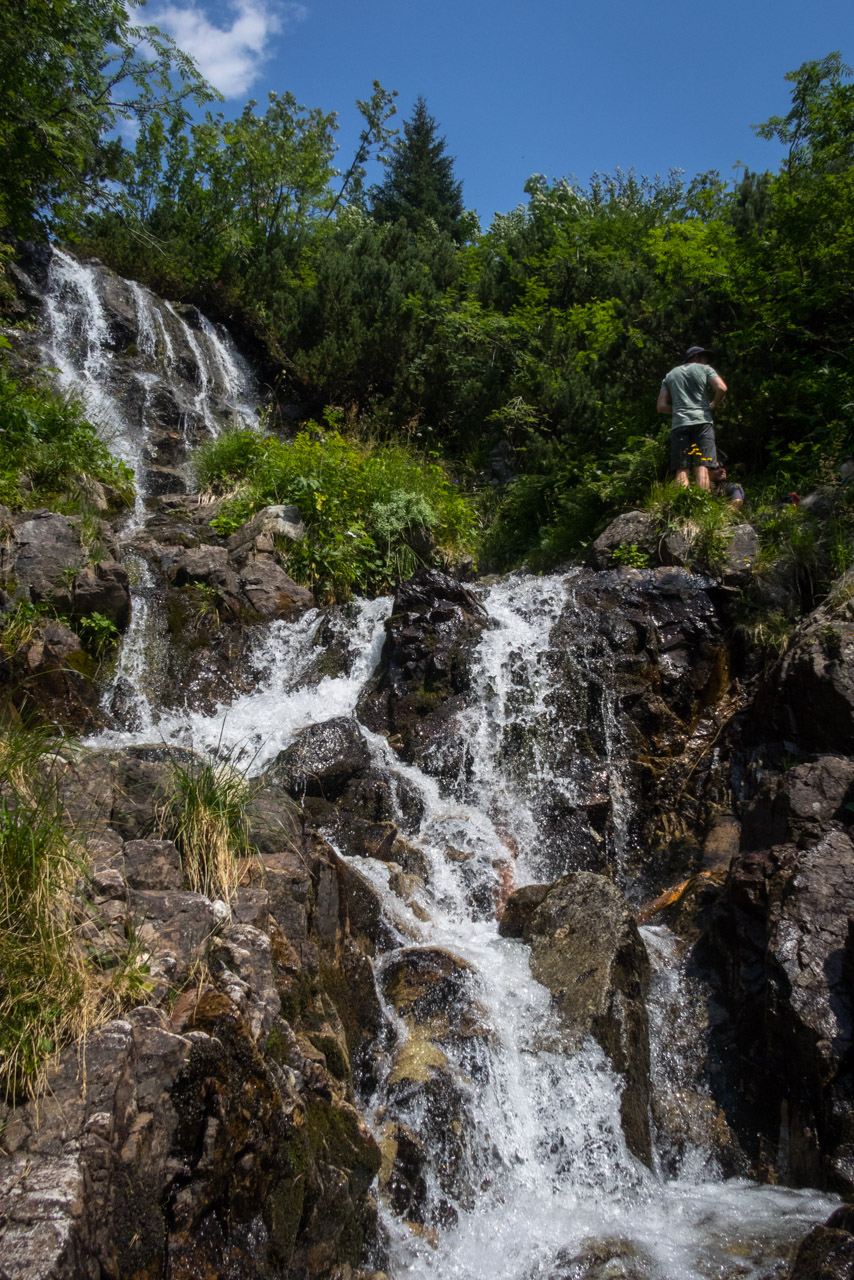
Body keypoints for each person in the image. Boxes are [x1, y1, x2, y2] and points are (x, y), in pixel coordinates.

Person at [657, 346, 727, 490]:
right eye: (704, 358)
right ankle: (702, 504)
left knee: (682, 468)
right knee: (703, 465)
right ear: (696, 357)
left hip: (679, 424)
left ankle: (683, 503)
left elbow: (661, 407)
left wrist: (678, 411)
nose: (706, 362)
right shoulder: (705, 370)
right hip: (702, 422)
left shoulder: (670, 375)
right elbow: (721, 388)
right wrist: (713, 404)